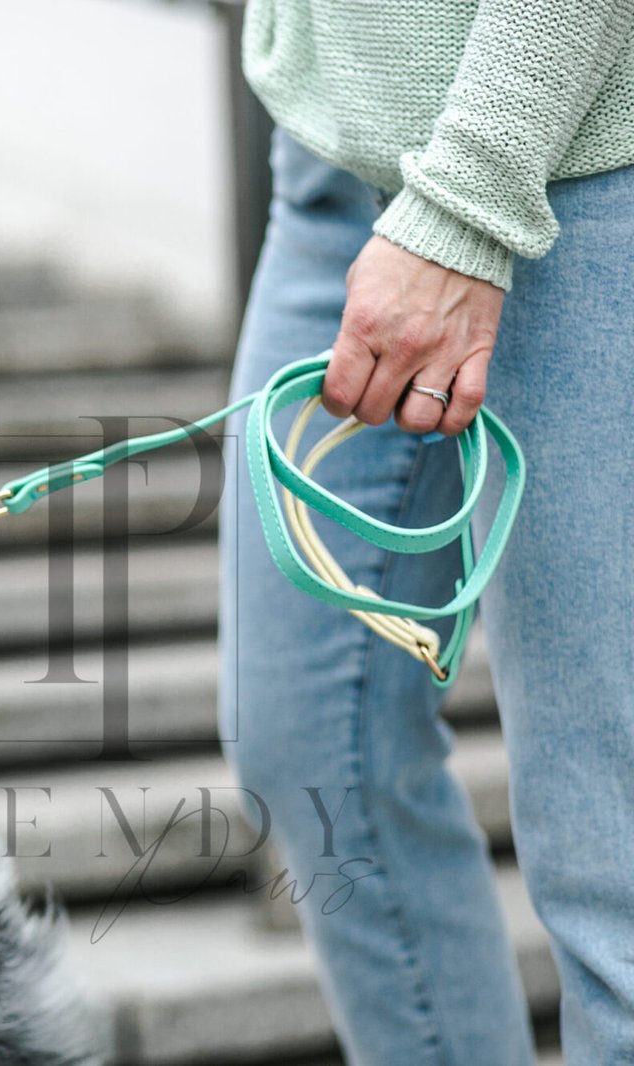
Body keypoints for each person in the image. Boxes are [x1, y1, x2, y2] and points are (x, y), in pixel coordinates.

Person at [217, 3, 634, 1063]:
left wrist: (466, 206)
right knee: (310, 748)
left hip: (578, 157)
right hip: (334, 153)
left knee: (609, 860)